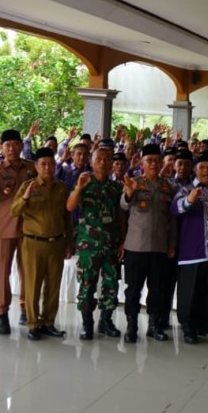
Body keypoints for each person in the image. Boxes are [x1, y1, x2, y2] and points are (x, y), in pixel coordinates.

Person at [0, 129, 37, 334]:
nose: (11, 149)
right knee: (2, 272)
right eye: (7, 145)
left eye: (15, 144)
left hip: (29, 227)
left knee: (28, 271)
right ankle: (2, 314)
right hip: (5, 227)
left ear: (21, 146)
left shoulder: (32, 168)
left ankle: (25, 308)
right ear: (1, 148)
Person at [10, 147, 73, 340]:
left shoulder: (61, 187)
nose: (47, 168)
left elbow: (66, 217)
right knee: (33, 285)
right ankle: (32, 323)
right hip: (33, 243)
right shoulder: (28, 186)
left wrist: (68, 243)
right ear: (36, 167)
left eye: (51, 164)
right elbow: (14, 211)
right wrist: (26, 197)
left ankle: (48, 322)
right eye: (43, 164)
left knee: (53, 286)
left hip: (56, 243)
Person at [120, 143, 178, 342]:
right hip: (136, 246)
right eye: (149, 160)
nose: (153, 164)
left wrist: (172, 244)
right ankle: (131, 326)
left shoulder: (167, 187)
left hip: (159, 248)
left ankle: (154, 325)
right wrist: (129, 193)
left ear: (162, 162)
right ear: (142, 163)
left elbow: (172, 219)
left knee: (158, 288)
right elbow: (123, 203)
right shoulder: (134, 182)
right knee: (133, 288)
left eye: (156, 160)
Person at [66, 145, 125, 340]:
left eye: (107, 159)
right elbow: (70, 206)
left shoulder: (116, 188)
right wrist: (79, 188)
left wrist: (122, 241)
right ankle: (87, 323)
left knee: (110, 285)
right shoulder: (84, 182)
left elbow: (121, 217)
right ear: (91, 162)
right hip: (88, 245)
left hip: (110, 244)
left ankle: (106, 321)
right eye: (98, 159)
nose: (102, 162)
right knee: (87, 285)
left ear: (112, 164)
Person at [172, 153, 208, 344]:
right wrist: (190, 200)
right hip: (192, 253)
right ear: (195, 170)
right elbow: (175, 209)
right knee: (190, 293)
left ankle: (205, 324)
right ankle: (188, 327)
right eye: (202, 167)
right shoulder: (186, 189)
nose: (206, 171)